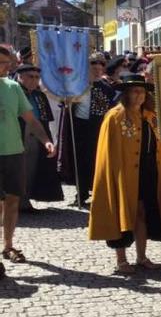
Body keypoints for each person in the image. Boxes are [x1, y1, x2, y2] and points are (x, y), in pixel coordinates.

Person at [87, 75, 161, 274]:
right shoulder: (115, 116)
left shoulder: (150, 116)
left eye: (142, 91)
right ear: (126, 93)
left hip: (147, 169)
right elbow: (108, 150)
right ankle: (121, 259)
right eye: (135, 91)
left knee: (142, 212)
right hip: (124, 172)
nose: (139, 95)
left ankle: (141, 256)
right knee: (122, 212)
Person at [0, 48, 56, 271]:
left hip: (14, 152)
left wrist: (45, 140)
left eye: (8, 63)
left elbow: (31, 120)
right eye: (3, 63)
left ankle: (8, 245)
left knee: (13, 200)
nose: (8, 67)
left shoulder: (13, 88)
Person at [58, 52, 116, 206]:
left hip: (97, 128)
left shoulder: (106, 88)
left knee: (96, 160)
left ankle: (98, 191)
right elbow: (66, 103)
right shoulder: (78, 85)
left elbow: (111, 107)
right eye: (93, 68)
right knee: (79, 160)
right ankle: (81, 192)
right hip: (79, 126)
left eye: (99, 69)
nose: (97, 71)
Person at [15, 64, 62, 209]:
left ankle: (25, 199)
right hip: (17, 133)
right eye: (31, 77)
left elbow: (45, 120)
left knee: (31, 168)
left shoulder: (40, 95)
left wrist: (47, 140)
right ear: (20, 77)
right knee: (17, 169)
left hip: (36, 135)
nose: (34, 80)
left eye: (37, 77)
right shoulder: (13, 92)